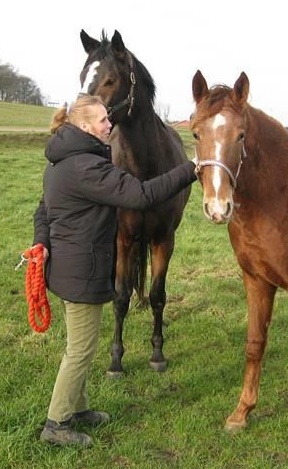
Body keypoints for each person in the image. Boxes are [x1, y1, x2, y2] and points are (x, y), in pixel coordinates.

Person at [31, 94, 197, 447]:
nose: (111, 124)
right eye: (105, 120)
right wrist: (190, 169)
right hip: (83, 270)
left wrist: (42, 242)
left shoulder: (62, 160)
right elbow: (139, 194)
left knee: (81, 345)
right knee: (80, 350)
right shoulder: (85, 167)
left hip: (66, 266)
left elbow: (41, 210)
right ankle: (56, 424)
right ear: (85, 126)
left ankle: (79, 409)